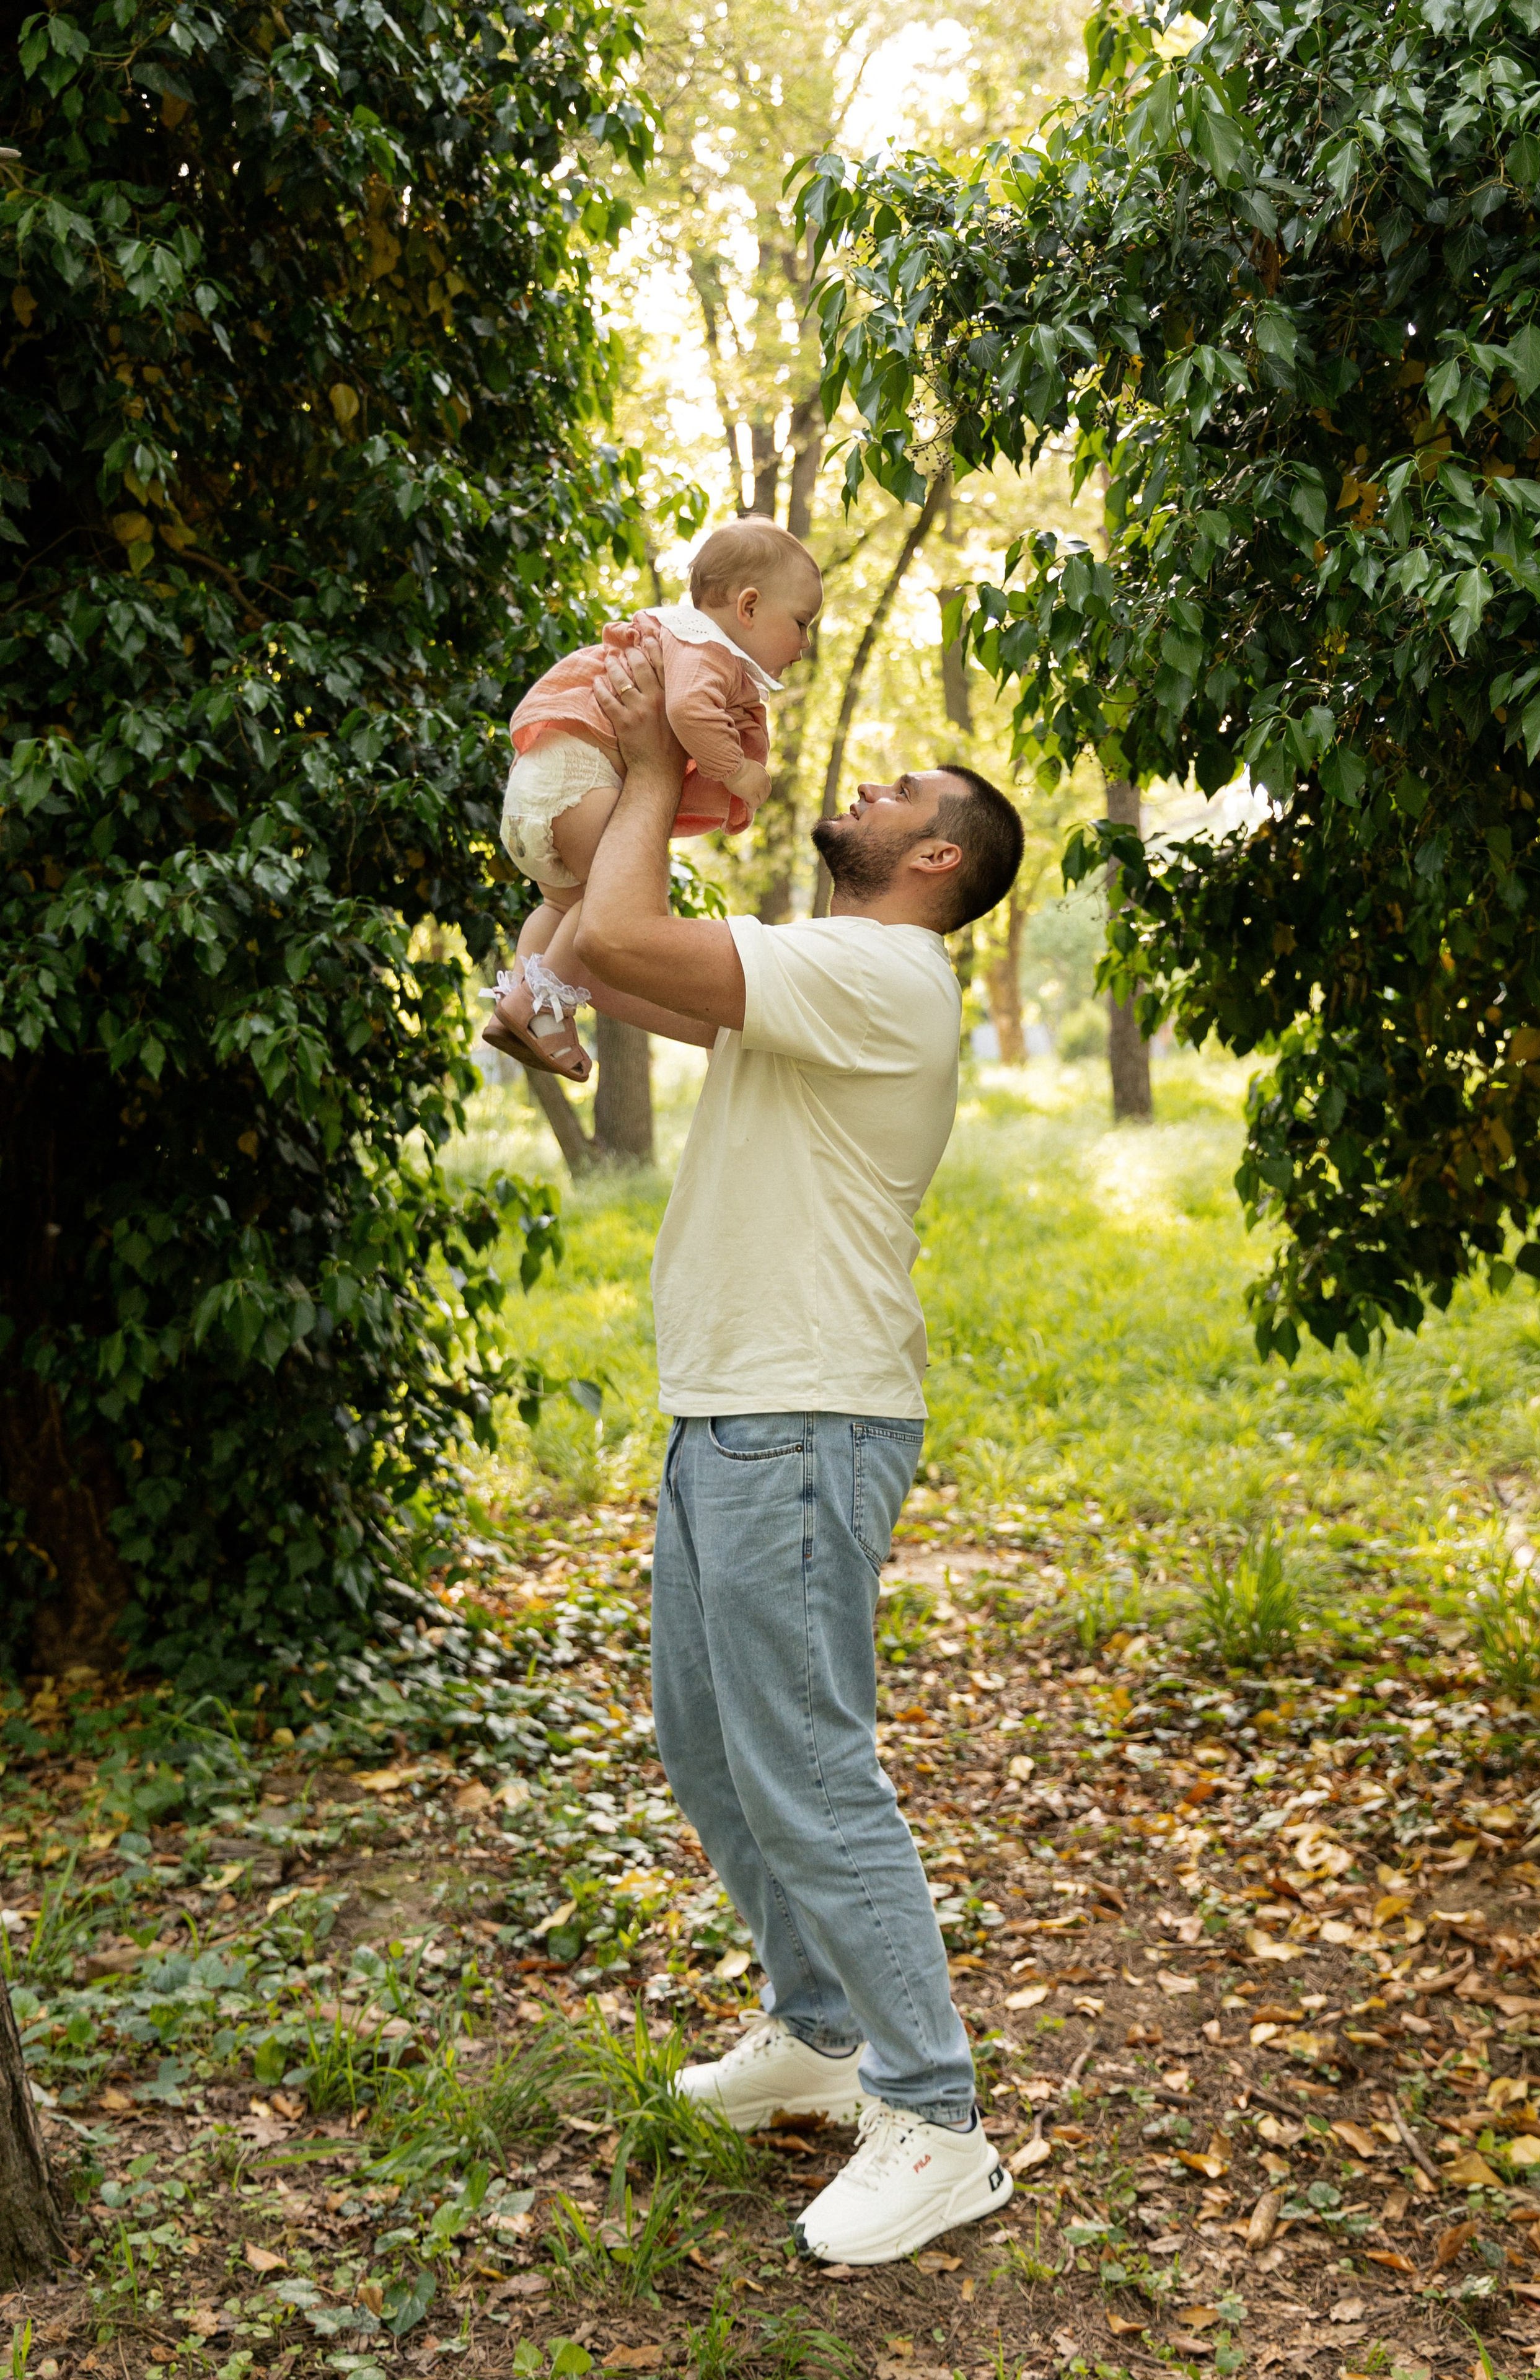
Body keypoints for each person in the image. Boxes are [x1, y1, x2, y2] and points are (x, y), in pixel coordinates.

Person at [569, 635, 1025, 2268]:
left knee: (812, 1765)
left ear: (938, 858)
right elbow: (605, 954)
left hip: (807, 1422)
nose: (868, 782)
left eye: (901, 788)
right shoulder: (818, 987)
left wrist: (643, 778)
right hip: (734, 1413)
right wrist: (619, 790)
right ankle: (821, 2036)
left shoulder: (883, 977)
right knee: (712, 1743)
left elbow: (620, 933)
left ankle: (938, 2119)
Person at [482, 519, 822, 1083]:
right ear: (749, 606)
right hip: (579, 774)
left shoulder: (675, 635)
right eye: (802, 623)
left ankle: (521, 1004)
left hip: (541, 789)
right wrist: (736, 771)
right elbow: (689, 712)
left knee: (566, 907)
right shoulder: (706, 647)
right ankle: (538, 1010)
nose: (805, 645)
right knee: (609, 900)